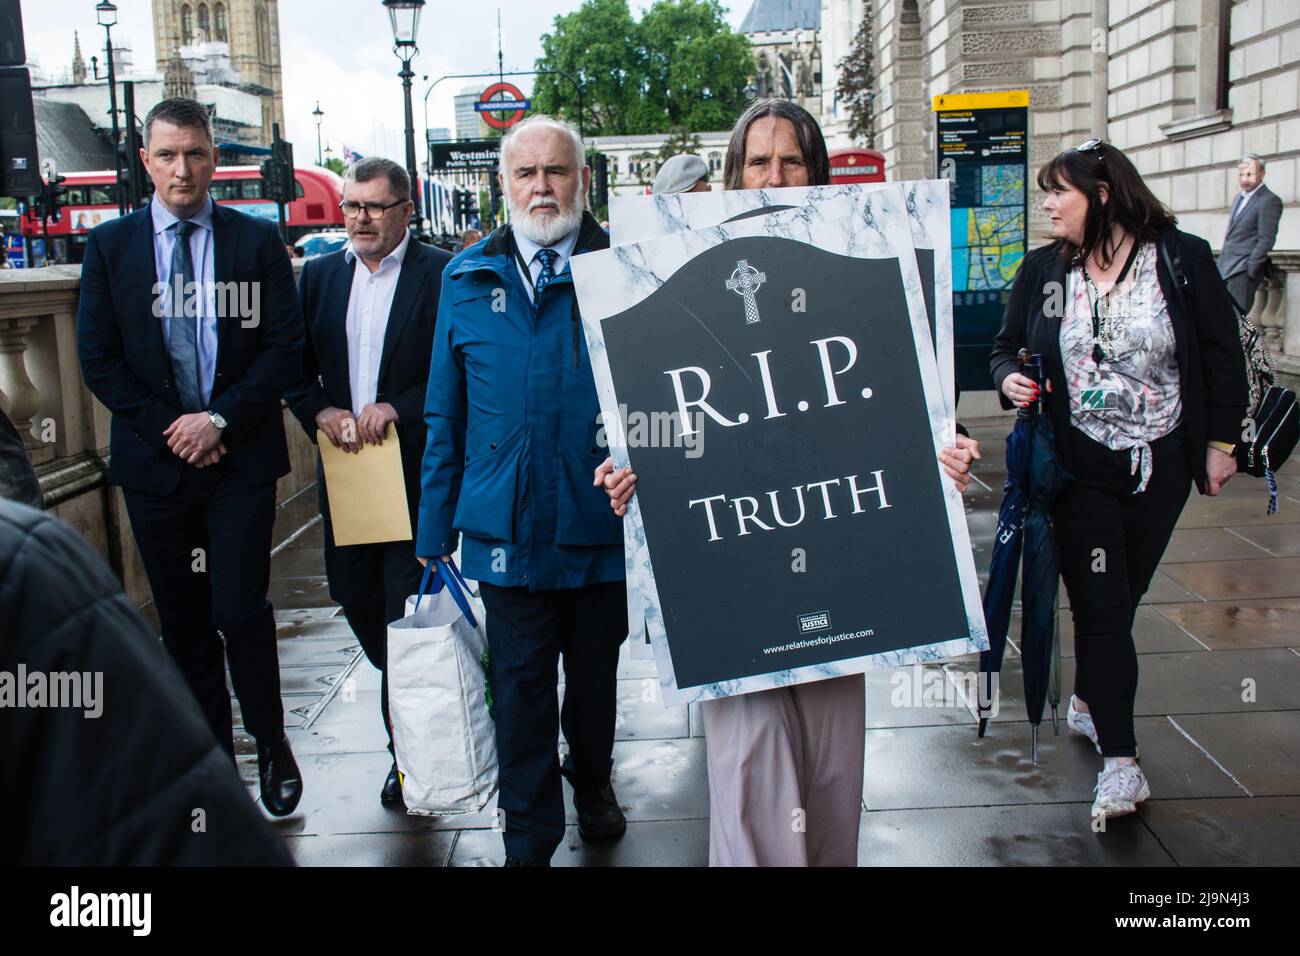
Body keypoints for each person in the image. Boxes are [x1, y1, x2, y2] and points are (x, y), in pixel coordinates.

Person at [597, 99, 981, 866]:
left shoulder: (851, 266)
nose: (774, 176)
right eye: (758, 162)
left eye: (792, 161)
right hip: (730, 579)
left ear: (817, 171)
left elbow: (901, 408)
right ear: (733, 172)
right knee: (749, 771)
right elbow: (653, 412)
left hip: (843, 574)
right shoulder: (668, 270)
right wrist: (633, 470)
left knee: (833, 774)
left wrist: (942, 460)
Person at [991, 139, 1247, 820]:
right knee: (1102, 608)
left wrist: (1223, 443)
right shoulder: (1044, 269)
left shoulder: (1179, 258)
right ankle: (1122, 765)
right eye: (1046, 191)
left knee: (1122, 600)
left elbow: (1223, 353)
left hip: (1160, 463)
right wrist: (1007, 379)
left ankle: (1089, 699)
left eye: (1059, 192)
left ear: (1103, 196)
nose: (1047, 203)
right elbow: (1003, 346)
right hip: (1079, 468)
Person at [77, 97, 306, 816]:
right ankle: (213, 764)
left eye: (196, 154)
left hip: (238, 460)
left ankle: (271, 743)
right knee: (182, 621)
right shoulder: (110, 248)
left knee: (239, 606)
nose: (184, 169)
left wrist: (216, 420)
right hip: (156, 465)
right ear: (145, 162)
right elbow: (98, 359)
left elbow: (283, 349)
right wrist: (174, 428)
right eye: (168, 155)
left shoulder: (254, 242)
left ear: (214, 159)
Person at [416, 115, 628, 866]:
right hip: (502, 527)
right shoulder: (466, 278)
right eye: (526, 174)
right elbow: (447, 412)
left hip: (600, 521)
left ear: (582, 180)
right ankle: (528, 838)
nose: (543, 187)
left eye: (557, 171)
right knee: (520, 691)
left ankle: (594, 782)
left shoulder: (626, 268)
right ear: (503, 185)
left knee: (594, 683)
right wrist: (432, 531)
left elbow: (669, 396)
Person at [286, 157, 452, 807]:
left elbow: (451, 371)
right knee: (355, 600)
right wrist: (320, 411)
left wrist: (397, 408)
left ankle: (405, 755)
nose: (358, 218)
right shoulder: (321, 278)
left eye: (374, 207)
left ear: (406, 210)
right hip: (348, 475)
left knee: (401, 612)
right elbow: (293, 369)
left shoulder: (441, 274)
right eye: (351, 206)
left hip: (412, 475)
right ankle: (407, 693)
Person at [1, 500, 293, 865]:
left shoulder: (24, 561)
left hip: (237, 471)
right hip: (153, 474)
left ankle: (267, 736)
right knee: (185, 633)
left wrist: (217, 436)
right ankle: (220, 771)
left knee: (239, 613)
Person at [1217, 153, 1283, 314]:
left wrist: (1250, 269)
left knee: (1237, 320)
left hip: (1242, 271)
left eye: (1250, 174)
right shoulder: (1238, 198)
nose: (1244, 179)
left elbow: (1266, 239)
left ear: (1262, 173)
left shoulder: (1269, 200)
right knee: (1222, 318)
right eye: (1241, 174)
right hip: (1225, 267)